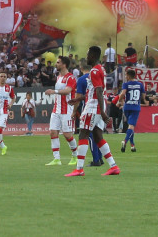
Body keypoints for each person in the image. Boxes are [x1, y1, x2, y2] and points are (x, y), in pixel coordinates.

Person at [66, 46, 120, 177]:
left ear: (94, 55)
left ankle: (79, 169)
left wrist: (102, 111)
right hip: (96, 105)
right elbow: (94, 92)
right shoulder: (100, 69)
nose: (87, 56)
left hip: (93, 107)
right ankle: (113, 166)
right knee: (97, 136)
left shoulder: (95, 71)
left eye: (88, 54)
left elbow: (99, 91)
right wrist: (78, 99)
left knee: (83, 134)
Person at [44, 56, 79, 166]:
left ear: (64, 65)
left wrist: (53, 91)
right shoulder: (59, 77)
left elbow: (68, 91)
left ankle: (75, 156)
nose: (56, 64)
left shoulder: (71, 78)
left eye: (58, 62)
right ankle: (56, 159)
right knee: (53, 132)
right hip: (56, 109)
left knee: (67, 135)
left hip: (66, 110)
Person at [119, 68, 145, 153]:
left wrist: (120, 101)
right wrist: (143, 100)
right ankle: (125, 141)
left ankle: (132, 145)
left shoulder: (126, 84)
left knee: (130, 126)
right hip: (135, 107)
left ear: (129, 76)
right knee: (131, 126)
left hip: (127, 106)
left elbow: (123, 93)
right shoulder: (140, 84)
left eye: (126, 75)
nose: (126, 76)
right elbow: (143, 96)